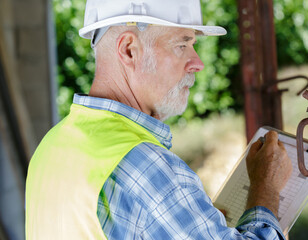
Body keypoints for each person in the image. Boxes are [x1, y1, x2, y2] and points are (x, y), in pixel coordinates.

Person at [25, 0, 292, 239]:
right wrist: (265, 190)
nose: (197, 63)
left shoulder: (52, 145)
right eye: (181, 45)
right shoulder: (144, 164)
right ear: (129, 49)